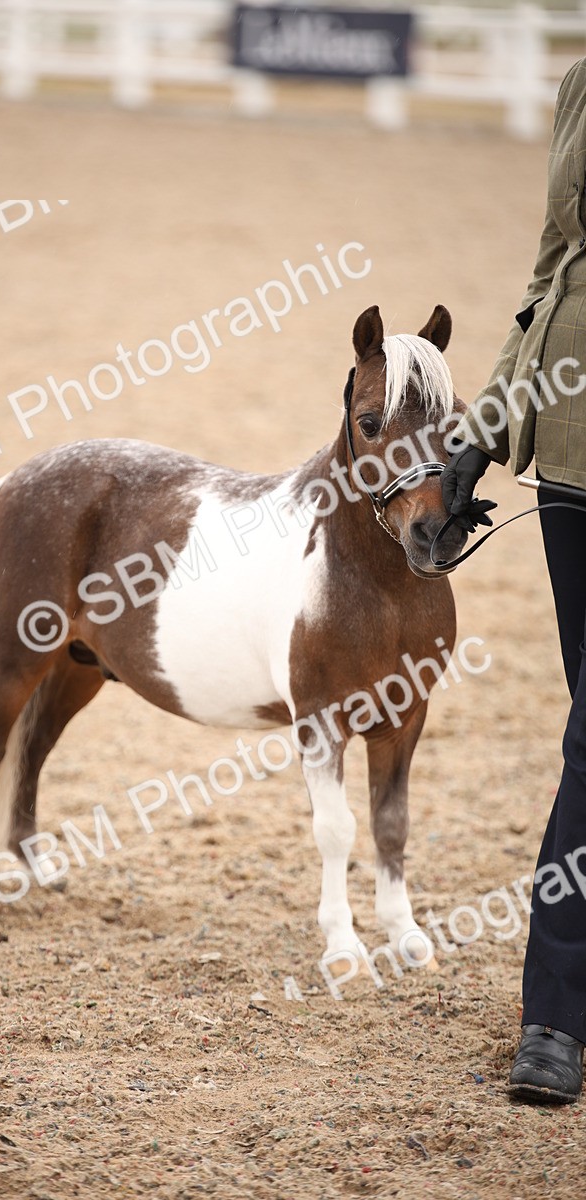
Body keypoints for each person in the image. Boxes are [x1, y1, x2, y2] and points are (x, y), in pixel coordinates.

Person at [441, 57, 586, 1105]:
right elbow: (549, 274)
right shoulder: (578, 83)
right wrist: (480, 434)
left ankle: (552, 1015)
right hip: (572, 456)